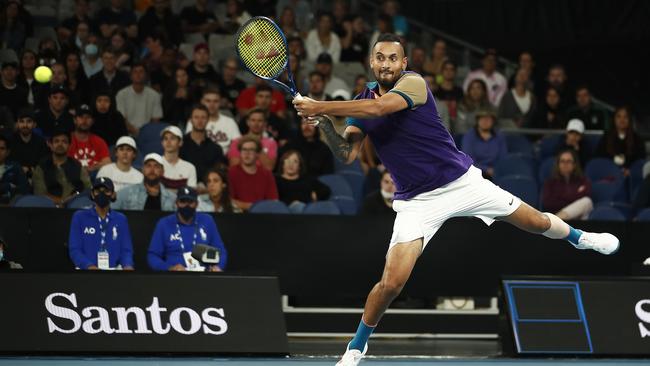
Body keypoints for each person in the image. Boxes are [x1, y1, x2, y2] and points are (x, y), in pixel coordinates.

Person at [292, 33, 620, 365]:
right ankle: (356, 347)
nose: (386, 63)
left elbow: (380, 108)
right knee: (392, 283)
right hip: (417, 202)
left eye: (393, 58)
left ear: (403, 63)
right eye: (380, 57)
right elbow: (347, 153)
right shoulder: (360, 101)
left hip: (462, 183)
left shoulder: (414, 83)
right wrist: (325, 125)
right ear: (371, 62)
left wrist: (320, 105)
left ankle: (580, 238)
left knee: (534, 221)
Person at [148, 186, 228, 272]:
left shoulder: (207, 221)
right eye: (183, 201)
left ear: (196, 204)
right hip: (174, 276)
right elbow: (153, 255)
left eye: (190, 202)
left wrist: (218, 267)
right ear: (177, 203)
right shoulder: (164, 223)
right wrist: (169, 268)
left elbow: (221, 252)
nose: (186, 205)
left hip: (203, 276)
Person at [68, 177, 135, 270]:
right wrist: (89, 266)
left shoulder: (120, 219)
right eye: (97, 191)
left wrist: (127, 266)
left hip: (114, 271)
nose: (101, 194)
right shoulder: (80, 217)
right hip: (86, 270)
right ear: (92, 194)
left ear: (113, 194)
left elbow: (126, 250)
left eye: (106, 191)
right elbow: (75, 250)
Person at [33, 128, 91, 205]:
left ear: (69, 145)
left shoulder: (78, 166)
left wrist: (74, 199)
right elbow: (40, 193)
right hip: (48, 208)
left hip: (75, 206)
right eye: (56, 141)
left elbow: (88, 189)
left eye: (64, 141)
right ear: (50, 144)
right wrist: (62, 201)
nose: (60, 144)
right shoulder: (41, 167)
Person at [228, 136, 278, 211]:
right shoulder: (231, 173)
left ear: (257, 154)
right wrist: (252, 207)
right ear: (240, 152)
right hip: (237, 215)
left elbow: (273, 201)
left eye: (251, 150)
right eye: (244, 150)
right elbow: (229, 200)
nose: (247, 153)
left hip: (262, 216)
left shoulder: (266, 174)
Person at [184, 88, 240, 154]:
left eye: (215, 101)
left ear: (220, 102)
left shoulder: (230, 122)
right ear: (202, 101)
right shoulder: (193, 121)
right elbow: (188, 144)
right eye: (208, 101)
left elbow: (238, 144)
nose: (212, 105)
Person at [542, 149, 593, 221]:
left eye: (569, 161)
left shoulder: (583, 181)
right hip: (557, 218)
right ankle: (556, 221)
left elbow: (587, 194)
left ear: (574, 164)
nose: (565, 164)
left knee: (587, 201)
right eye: (562, 161)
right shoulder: (550, 183)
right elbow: (547, 203)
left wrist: (560, 197)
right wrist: (574, 196)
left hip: (578, 220)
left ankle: (555, 221)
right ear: (558, 164)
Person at [180, 105, 224, 185]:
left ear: (208, 120)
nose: (200, 121)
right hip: (185, 188)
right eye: (196, 117)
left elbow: (217, 174)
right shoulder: (180, 145)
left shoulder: (216, 148)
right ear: (190, 120)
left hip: (208, 189)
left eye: (203, 117)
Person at [115, 63, 163, 135]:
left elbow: (155, 120)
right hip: (126, 133)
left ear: (146, 75)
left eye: (141, 72)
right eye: (135, 72)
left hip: (148, 134)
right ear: (130, 76)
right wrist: (136, 131)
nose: (138, 74)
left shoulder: (154, 95)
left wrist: (144, 133)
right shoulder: (121, 94)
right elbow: (121, 119)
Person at [596, 106, 645, 174]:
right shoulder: (606, 137)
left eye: (625, 117)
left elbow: (640, 159)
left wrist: (630, 170)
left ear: (629, 120)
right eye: (618, 116)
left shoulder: (637, 139)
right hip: (609, 173)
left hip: (630, 174)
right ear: (614, 119)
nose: (622, 120)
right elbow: (599, 157)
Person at [461, 110, 507, 179]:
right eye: (482, 118)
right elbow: (468, 159)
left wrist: (496, 170)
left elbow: (503, 157)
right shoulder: (469, 136)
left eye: (488, 119)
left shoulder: (499, 136)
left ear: (493, 121)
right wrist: (485, 169)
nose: (485, 121)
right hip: (475, 172)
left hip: (496, 172)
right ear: (477, 120)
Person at [68, 104, 111, 172]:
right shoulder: (67, 140)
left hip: (95, 177)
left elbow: (107, 163)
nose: (84, 120)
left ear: (92, 121)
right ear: (75, 120)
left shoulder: (99, 141)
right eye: (81, 117)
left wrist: (91, 168)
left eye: (88, 117)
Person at [8, 107, 48, 177]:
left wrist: (29, 170)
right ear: (17, 123)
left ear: (34, 124)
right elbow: (8, 164)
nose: (25, 125)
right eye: (21, 121)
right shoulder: (10, 141)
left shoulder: (41, 142)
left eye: (28, 121)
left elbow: (44, 165)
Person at [160, 125, 197, 191]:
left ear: (180, 143)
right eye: (165, 138)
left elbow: (191, 193)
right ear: (162, 143)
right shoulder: (155, 164)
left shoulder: (190, 168)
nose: (168, 142)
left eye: (172, 138)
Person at [0, 135, 28, 204]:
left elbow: (24, 189)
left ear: (8, 152)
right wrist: (8, 186)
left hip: (11, 207)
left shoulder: (15, 167)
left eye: (2, 148)